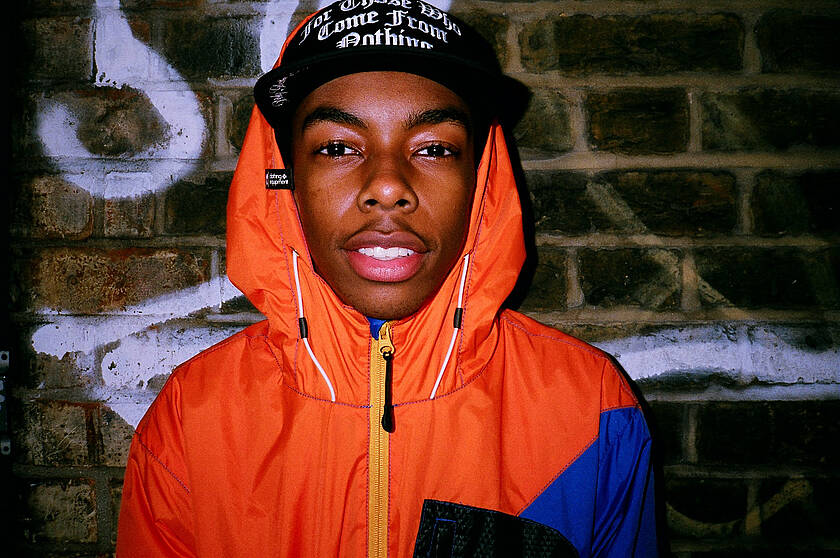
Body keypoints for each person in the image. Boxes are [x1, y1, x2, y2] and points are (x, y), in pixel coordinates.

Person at [116, 1, 658, 556]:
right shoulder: (193, 415)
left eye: (435, 149)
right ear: (284, 178)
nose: (387, 186)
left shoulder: (589, 408)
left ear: (481, 178)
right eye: (336, 148)